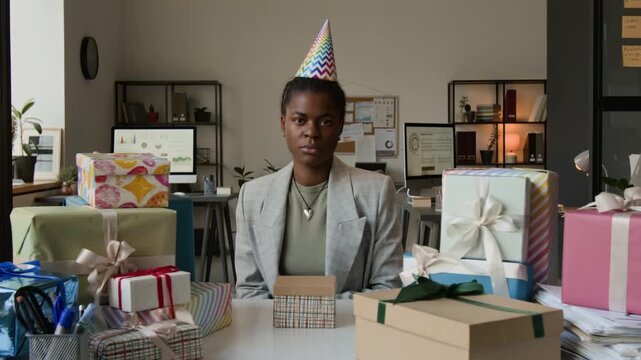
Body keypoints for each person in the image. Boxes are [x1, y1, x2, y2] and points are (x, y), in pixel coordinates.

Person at [235, 20, 402, 299]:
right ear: (283, 124)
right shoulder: (252, 196)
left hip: (350, 335)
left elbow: (387, 289)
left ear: (339, 127)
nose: (311, 132)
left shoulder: (375, 191)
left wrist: (311, 311)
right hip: (273, 334)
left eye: (324, 121)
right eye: (299, 120)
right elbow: (249, 289)